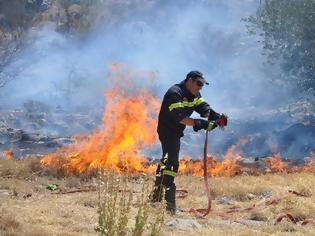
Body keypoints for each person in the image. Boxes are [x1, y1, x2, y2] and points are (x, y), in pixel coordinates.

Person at [150, 70, 227, 214]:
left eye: (202, 85)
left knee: (166, 161)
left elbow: (203, 108)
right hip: (167, 130)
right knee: (172, 163)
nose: (200, 87)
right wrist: (201, 124)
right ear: (189, 81)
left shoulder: (195, 94)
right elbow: (181, 118)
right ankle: (169, 205)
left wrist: (216, 117)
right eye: (198, 84)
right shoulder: (175, 93)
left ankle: (155, 198)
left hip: (177, 131)